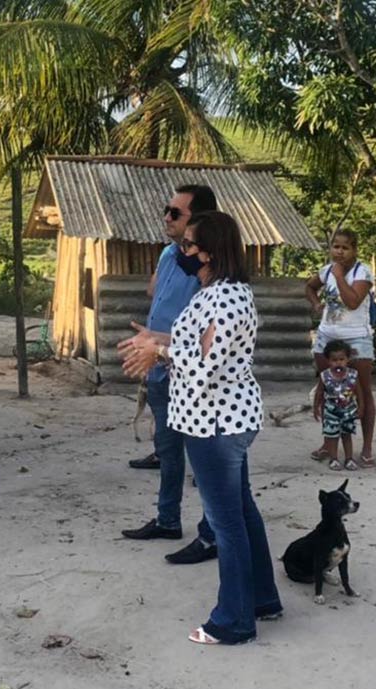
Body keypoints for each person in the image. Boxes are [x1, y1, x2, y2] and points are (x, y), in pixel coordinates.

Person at [118, 210, 283, 645]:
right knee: (241, 513)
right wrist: (157, 339)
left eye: (188, 245)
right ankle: (262, 600)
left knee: (226, 524)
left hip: (216, 423)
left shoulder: (227, 298)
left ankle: (233, 622)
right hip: (213, 419)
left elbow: (206, 367)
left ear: (209, 252)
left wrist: (159, 353)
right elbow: (196, 345)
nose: (181, 251)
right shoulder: (217, 292)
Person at [120, 184, 218, 567]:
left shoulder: (210, 266)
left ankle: (211, 533)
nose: (167, 217)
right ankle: (167, 519)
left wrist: (162, 344)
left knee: (204, 454)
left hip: (188, 368)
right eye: (167, 210)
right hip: (158, 362)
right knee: (167, 448)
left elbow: (209, 330)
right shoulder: (167, 254)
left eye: (175, 213)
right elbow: (155, 294)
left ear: (200, 221)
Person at [305, 230, 376, 467]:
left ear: (354, 250)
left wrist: (339, 276)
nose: (339, 252)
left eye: (345, 248)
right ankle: (329, 443)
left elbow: (353, 301)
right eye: (335, 247)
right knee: (328, 390)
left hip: (356, 338)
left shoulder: (362, 272)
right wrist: (316, 304)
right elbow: (309, 287)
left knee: (362, 391)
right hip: (327, 336)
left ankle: (366, 448)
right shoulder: (326, 270)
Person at [313, 339, 365, 471]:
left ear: (347, 359)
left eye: (342, 359)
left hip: (349, 411)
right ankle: (334, 459)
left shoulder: (353, 375)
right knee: (332, 437)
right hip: (331, 411)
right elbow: (319, 392)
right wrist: (316, 408)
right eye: (334, 360)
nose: (338, 362)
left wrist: (361, 407)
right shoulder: (325, 375)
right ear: (328, 361)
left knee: (347, 435)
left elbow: (358, 392)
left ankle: (349, 459)